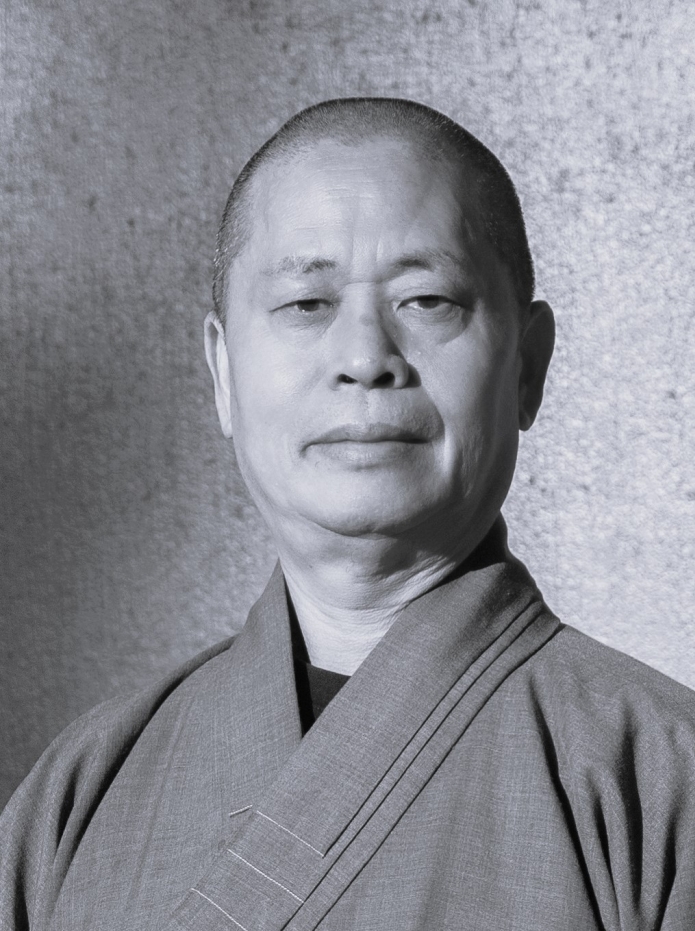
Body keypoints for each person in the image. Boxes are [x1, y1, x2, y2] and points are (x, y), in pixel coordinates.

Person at [1, 97, 694, 931]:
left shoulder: (657, 777)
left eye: (427, 299)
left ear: (527, 365)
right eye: (306, 303)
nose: (365, 357)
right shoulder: (78, 792)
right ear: (223, 372)